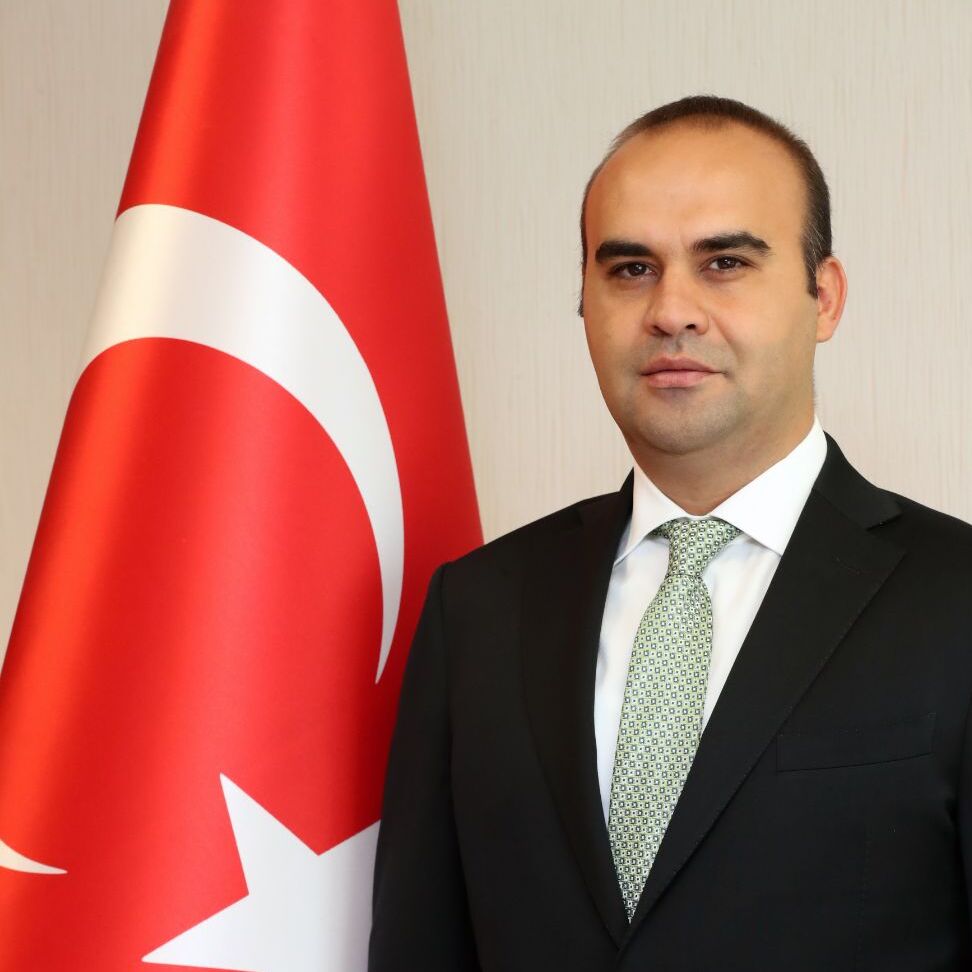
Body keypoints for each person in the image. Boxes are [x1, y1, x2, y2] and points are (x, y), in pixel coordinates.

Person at [367, 95, 972, 971]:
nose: (672, 310)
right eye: (630, 269)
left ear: (824, 298)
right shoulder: (479, 608)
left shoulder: (957, 599)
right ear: (584, 303)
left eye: (724, 262)